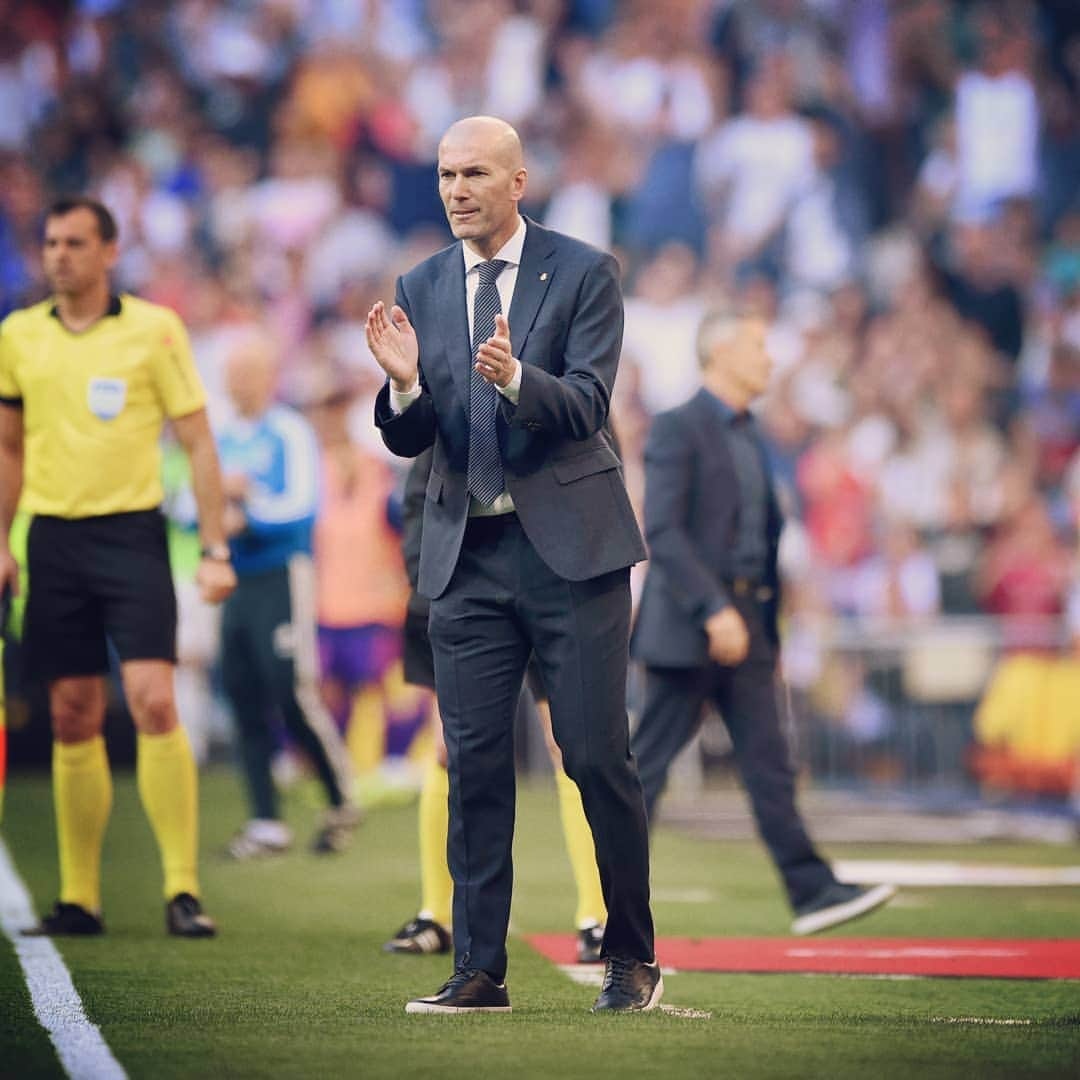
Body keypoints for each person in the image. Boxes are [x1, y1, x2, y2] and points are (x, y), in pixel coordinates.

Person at [366, 116, 660, 1014]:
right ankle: (479, 969)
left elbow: (590, 407)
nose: (456, 190)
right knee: (475, 763)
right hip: (470, 557)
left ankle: (633, 956)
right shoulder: (419, 281)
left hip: (570, 557)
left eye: (475, 174)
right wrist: (405, 386)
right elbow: (413, 438)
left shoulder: (584, 271)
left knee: (596, 756)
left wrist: (516, 380)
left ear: (519, 181)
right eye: (447, 174)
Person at [0, 196, 236, 937]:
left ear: (109, 251)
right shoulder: (17, 335)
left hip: (132, 536)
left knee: (153, 701)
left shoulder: (153, 330)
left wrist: (216, 546)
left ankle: (182, 889)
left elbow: (198, 442)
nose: (59, 255)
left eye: (74, 243)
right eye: (50, 243)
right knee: (71, 713)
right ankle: (79, 898)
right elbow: (8, 446)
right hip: (53, 542)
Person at [630, 306, 896, 936]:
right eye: (756, 346)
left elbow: (758, 537)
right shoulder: (678, 426)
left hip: (747, 623)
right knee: (647, 770)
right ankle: (607, 901)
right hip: (693, 624)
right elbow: (662, 531)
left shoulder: (753, 435)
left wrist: (761, 619)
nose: (769, 358)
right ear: (719, 353)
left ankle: (812, 891)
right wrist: (712, 608)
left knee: (770, 763)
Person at [384, 450, 608, 964]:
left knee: (571, 744)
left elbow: (599, 471)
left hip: (557, 581)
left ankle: (597, 916)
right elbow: (425, 484)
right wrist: (428, 575)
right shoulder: (451, 379)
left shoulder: (566, 381)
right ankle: (436, 915)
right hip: (468, 586)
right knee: (449, 748)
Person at [215, 332, 359, 857]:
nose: (236, 382)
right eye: (231, 373)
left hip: (282, 572)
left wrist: (245, 507)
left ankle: (342, 796)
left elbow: (301, 506)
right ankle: (265, 820)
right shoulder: (222, 433)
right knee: (241, 690)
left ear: (266, 377)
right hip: (235, 577)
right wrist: (216, 514)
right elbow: (190, 502)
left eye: (246, 372)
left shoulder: (290, 432)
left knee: (290, 689)